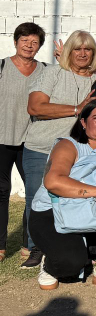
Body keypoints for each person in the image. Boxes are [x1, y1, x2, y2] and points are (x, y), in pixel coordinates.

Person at [28, 102, 96, 290]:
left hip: (92, 210)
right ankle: (50, 264)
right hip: (53, 212)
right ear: (83, 123)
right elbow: (53, 181)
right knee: (71, 263)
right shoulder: (68, 145)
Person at [22, 30, 96, 270]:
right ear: (68, 51)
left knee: (73, 199)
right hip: (41, 147)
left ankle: (70, 242)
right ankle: (36, 247)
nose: (82, 53)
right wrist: (77, 108)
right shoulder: (52, 73)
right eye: (77, 48)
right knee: (37, 200)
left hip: (77, 152)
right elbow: (35, 107)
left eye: (87, 49)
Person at [0, 22, 45, 263]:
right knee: (1, 191)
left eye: (34, 41)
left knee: (35, 193)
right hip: (1, 138)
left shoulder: (46, 70)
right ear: (15, 42)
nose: (29, 45)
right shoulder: (2, 66)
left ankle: (31, 243)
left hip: (32, 140)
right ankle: (0, 246)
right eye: (24, 40)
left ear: (40, 46)